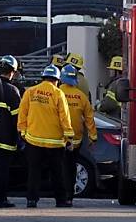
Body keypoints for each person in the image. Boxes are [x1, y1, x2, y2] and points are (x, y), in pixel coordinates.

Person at [18, 64, 74, 208]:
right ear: (57, 80)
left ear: (43, 77)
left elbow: (22, 113)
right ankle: (61, 200)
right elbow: (65, 117)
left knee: (34, 172)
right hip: (54, 143)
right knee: (57, 173)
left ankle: (32, 200)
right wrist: (69, 138)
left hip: (33, 140)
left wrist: (23, 132)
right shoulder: (58, 93)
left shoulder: (30, 92)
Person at [59, 65, 97, 204]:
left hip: (58, 139)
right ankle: (69, 197)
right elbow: (89, 118)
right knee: (71, 167)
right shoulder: (81, 97)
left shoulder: (57, 93)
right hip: (76, 140)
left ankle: (60, 196)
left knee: (59, 168)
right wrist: (93, 137)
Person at [0, 55, 21, 208]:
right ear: (12, 72)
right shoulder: (12, 91)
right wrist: (21, 136)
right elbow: (18, 118)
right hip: (6, 138)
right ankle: (1, 200)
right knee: (2, 170)